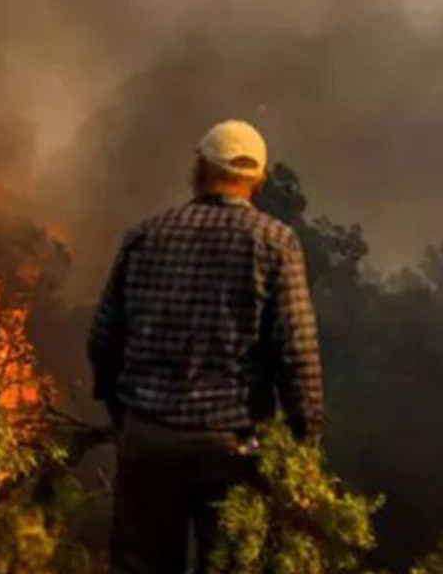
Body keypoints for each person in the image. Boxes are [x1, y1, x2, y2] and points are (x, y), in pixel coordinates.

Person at [88, 119, 324, 574]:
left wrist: (122, 415)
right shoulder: (275, 244)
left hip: (149, 442)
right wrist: (303, 445)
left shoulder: (146, 235)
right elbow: (298, 356)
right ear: (258, 179)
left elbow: (103, 338)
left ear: (199, 168)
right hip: (232, 449)